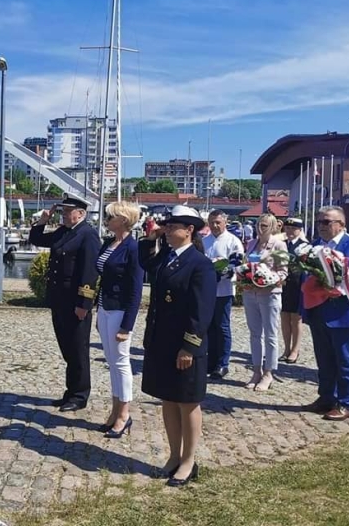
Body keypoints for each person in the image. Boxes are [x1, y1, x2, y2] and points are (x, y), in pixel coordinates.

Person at [139, 205, 217, 487]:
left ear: (190, 230)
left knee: (188, 402)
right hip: (162, 340)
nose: (168, 230)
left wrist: (190, 347)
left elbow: (201, 312)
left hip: (184, 344)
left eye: (174, 227)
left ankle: (188, 461)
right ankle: (174, 455)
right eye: (168, 226)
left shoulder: (200, 264)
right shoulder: (166, 257)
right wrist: (151, 237)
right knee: (168, 399)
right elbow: (145, 264)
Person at [301, 206, 349, 421]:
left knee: (346, 361)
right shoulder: (315, 247)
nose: (321, 226)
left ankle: (347, 403)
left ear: (341, 224)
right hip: (319, 312)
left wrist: (345, 290)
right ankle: (326, 398)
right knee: (324, 360)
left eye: (327, 222)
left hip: (346, 313)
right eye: (319, 222)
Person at [29, 195, 100, 412]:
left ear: (81, 213)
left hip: (75, 301)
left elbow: (89, 272)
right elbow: (38, 240)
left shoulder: (87, 235)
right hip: (59, 299)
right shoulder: (63, 232)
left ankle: (80, 395)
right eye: (63, 211)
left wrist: (84, 303)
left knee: (78, 349)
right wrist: (42, 221)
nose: (64, 214)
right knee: (67, 347)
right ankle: (70, 391)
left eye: (68, 211)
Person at [95, 201, 144, 437]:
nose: (106, 219)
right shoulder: (109, 243)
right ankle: (115, 409)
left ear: (123, 220)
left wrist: (127, 326)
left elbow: (136, 290)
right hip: (105, 307)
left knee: (121, 362)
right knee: (112, 362)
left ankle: (124, 413)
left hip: (120, 310)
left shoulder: (133, 248)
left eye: (110, 216)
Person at [242, 213, 288, 391]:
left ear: (273, 227)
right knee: (255, 334)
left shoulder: (279, 244)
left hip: (270, 293)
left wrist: (269, 279)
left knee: (270, 334)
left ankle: (269, 372)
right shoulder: (252, 243)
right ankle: (256, 370)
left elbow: (284, 272)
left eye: (265, 226)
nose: (260, 228)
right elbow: (247, 265)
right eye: (259, 225)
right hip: (250, 292)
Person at [202, 210, 245, 379]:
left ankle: (223, 363)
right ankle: (210, 361)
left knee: (222, 327)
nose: (214, 225)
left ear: (225, 222)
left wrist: (223, 271)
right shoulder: (204, 241)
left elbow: (237, 264)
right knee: (209, 327)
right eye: (211, 222)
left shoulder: (233, 241)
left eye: (218, 222)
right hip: (207, 290)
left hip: (224, 290)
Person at [280, 217, 308, 364]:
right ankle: (286, 348)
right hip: (283, 285)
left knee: (296, 319)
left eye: (294, 228)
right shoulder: (282, 244)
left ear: (300, 230)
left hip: (298, 285)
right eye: (288, 228)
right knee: (284, 317)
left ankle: (295, 349)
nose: (290, 231)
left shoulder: (305, 246)